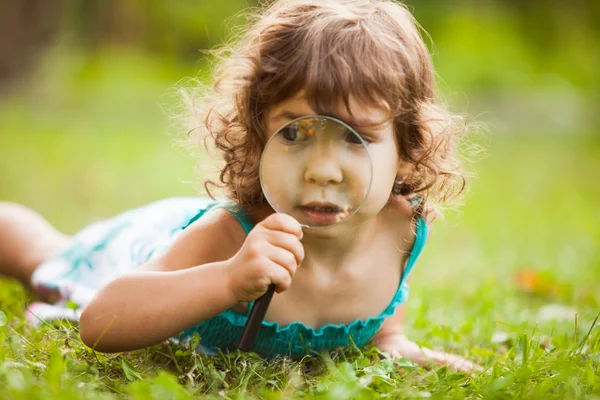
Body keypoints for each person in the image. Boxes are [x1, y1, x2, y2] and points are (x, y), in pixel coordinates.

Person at [0, 0, 480, 372]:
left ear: (406, 143)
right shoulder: (228, 235)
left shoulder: (400, 229)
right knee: (44, 256)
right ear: (256, 133)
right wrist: (228, 278)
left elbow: (381, 314)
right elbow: (101, 322)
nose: (322, 171)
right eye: (293, 132)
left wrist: (390, 341)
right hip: (149, 252)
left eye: (357, 139)